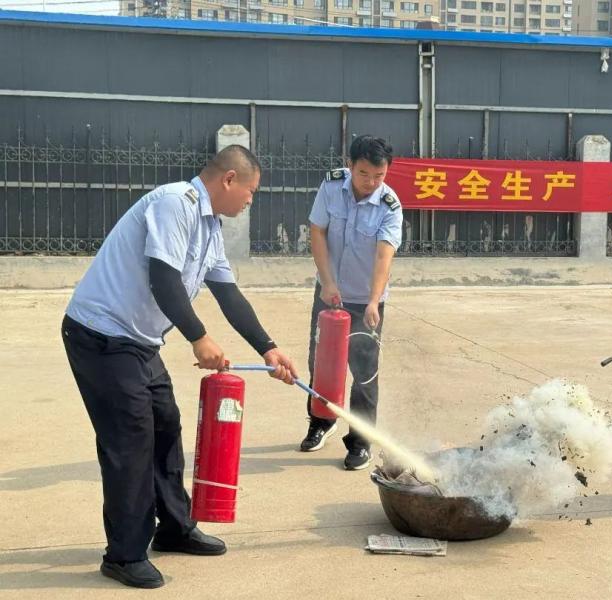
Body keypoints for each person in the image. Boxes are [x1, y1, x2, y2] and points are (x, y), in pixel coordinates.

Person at [61, 145, 298, 588]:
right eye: (250, 191)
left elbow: (228, 294)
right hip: (101, 336)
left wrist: (268, 348)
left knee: (165, 426)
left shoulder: (210, 227)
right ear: (229, 179)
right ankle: (124, 555)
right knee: (131, 441)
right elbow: (163, 277)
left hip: (138, 342)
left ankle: (173, 527)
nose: (250, 200)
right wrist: (199, 337)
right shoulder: (175, 204)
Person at [298, 135, 403, 471]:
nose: (371, 182)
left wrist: (373, 301)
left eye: (379, 176)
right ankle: (321, 422)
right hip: (329, 293)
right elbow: (317, 231)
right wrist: (327, 282)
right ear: (350, 165)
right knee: (321, 364)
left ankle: (360, 441)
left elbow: (384, 257)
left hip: (365, 300)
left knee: (364, 372)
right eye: (364, 174)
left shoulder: (390, 206)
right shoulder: (331, 187)